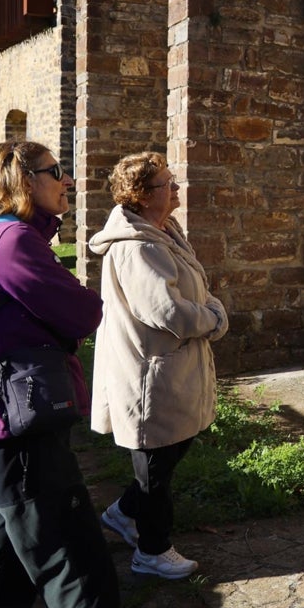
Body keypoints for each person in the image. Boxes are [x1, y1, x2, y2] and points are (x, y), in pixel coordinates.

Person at [0, 141, 121, 608]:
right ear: (21, 180)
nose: (68, 179)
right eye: (56, 170)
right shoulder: (9, 241)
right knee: (76, 569)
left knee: (5, 569)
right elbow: (82, 312)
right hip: (15, 424)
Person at [88, 152, 228, 580]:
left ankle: (123, 514)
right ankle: (151, 550)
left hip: (169, 366)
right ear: (144, 196)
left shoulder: (163, 230)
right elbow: (164, 309)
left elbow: (192, 289)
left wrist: (207, 307)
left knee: (169, 453)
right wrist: (214, 319)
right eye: (168, 183)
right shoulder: (138, 247)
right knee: (154, 468)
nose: (177, 188)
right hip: (148, 372)